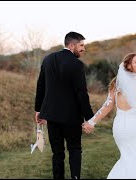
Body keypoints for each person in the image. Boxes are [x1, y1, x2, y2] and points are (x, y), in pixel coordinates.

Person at [34, 31, 94, 179]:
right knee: (74, 149)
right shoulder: (77, 64)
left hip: (52, 116)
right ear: (71, 45)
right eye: (81, 45)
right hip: (71, 117)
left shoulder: (48, 59)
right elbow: (81, 93)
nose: (83, 49)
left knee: (57, 153)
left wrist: (38, 110)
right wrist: (90, 118)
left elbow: (40, 85)